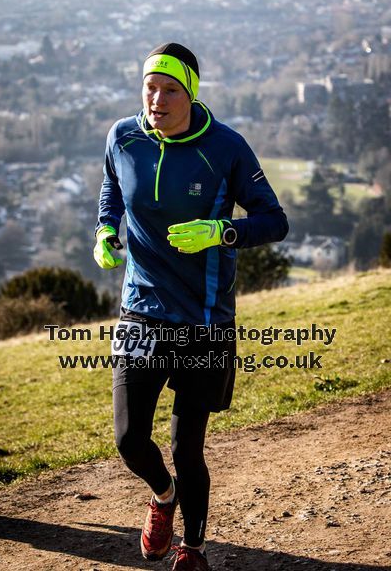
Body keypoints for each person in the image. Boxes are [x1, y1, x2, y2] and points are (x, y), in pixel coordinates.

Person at [94, 42, 288, 571]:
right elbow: (112, 185)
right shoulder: (124, 135)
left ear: (191, 94)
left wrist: (220, 231)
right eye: (149, 87)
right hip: (141, 309)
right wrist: (106, 231)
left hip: (204, 320)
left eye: (170, 89)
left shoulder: (224, 148)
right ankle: (163, 498)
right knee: (130, 438)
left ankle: (194, 549)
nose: (156, 99)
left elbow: (275, 221)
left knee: (187, 448)